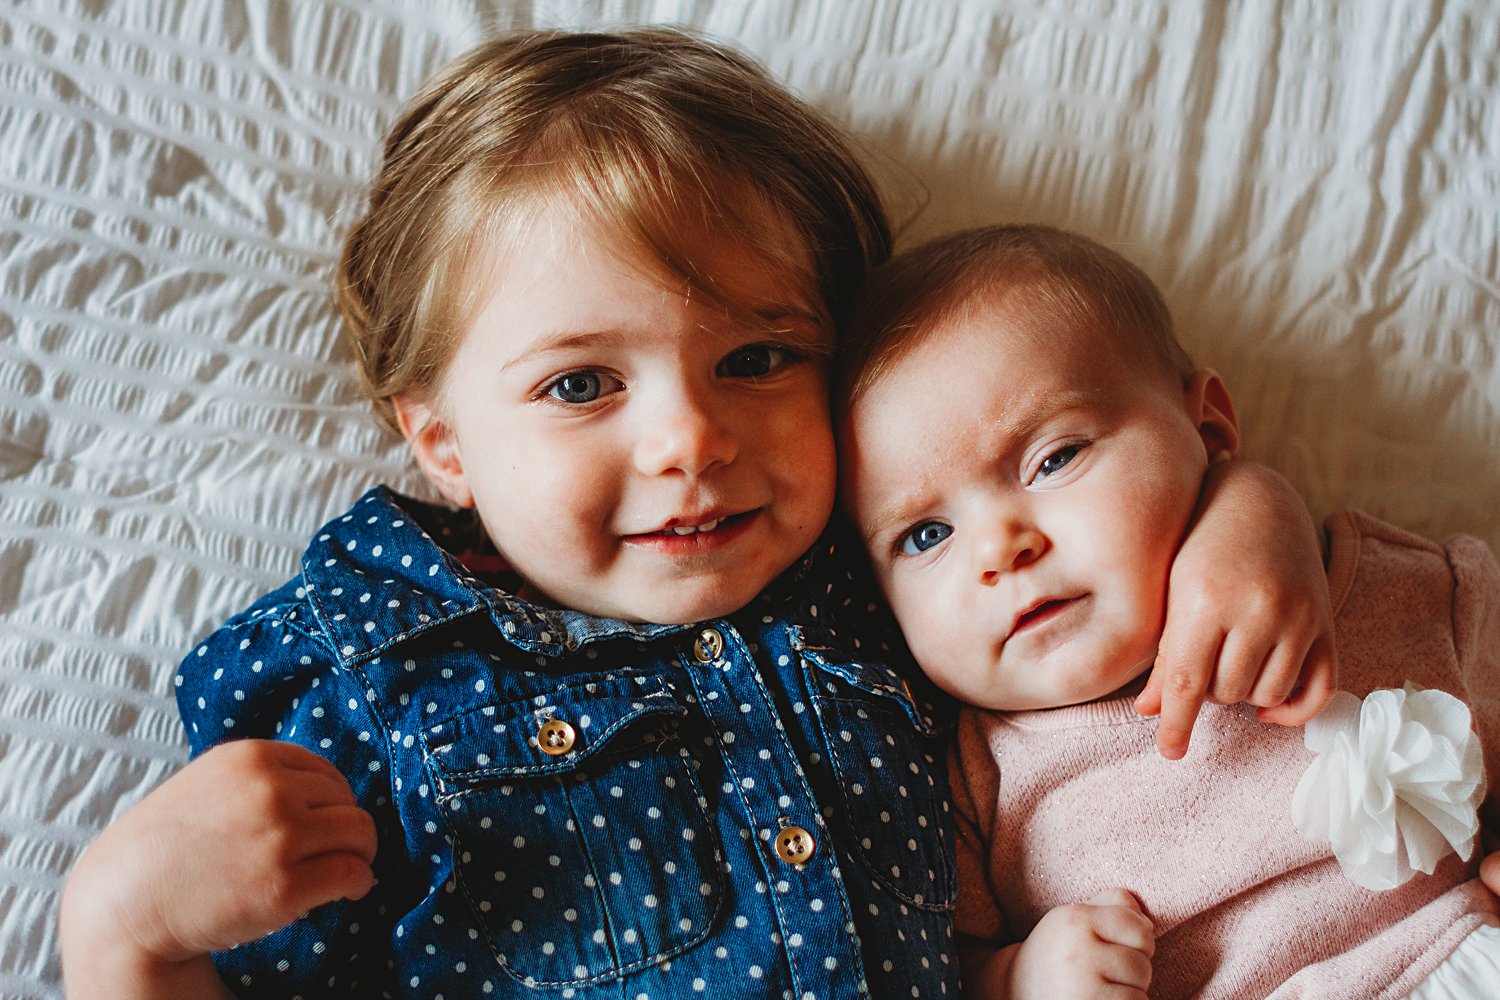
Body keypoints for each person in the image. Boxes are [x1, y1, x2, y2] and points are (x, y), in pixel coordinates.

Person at [58, 32, 1336, 1000]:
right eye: (580, 384)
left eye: (760, 359)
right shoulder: (363, 665)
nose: (691, 441)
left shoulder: (873, 568)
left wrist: (1247, 514)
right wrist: (124, 935)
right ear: (442, 439)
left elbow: (1096, 499)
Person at [836, 222, 1500, 1000]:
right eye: (925, 535)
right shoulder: (965, 777)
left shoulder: (1394, 586)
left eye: (1055, 458)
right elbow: (933, 967)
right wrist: (1018, 979)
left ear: (1208, 425)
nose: (999, 549)